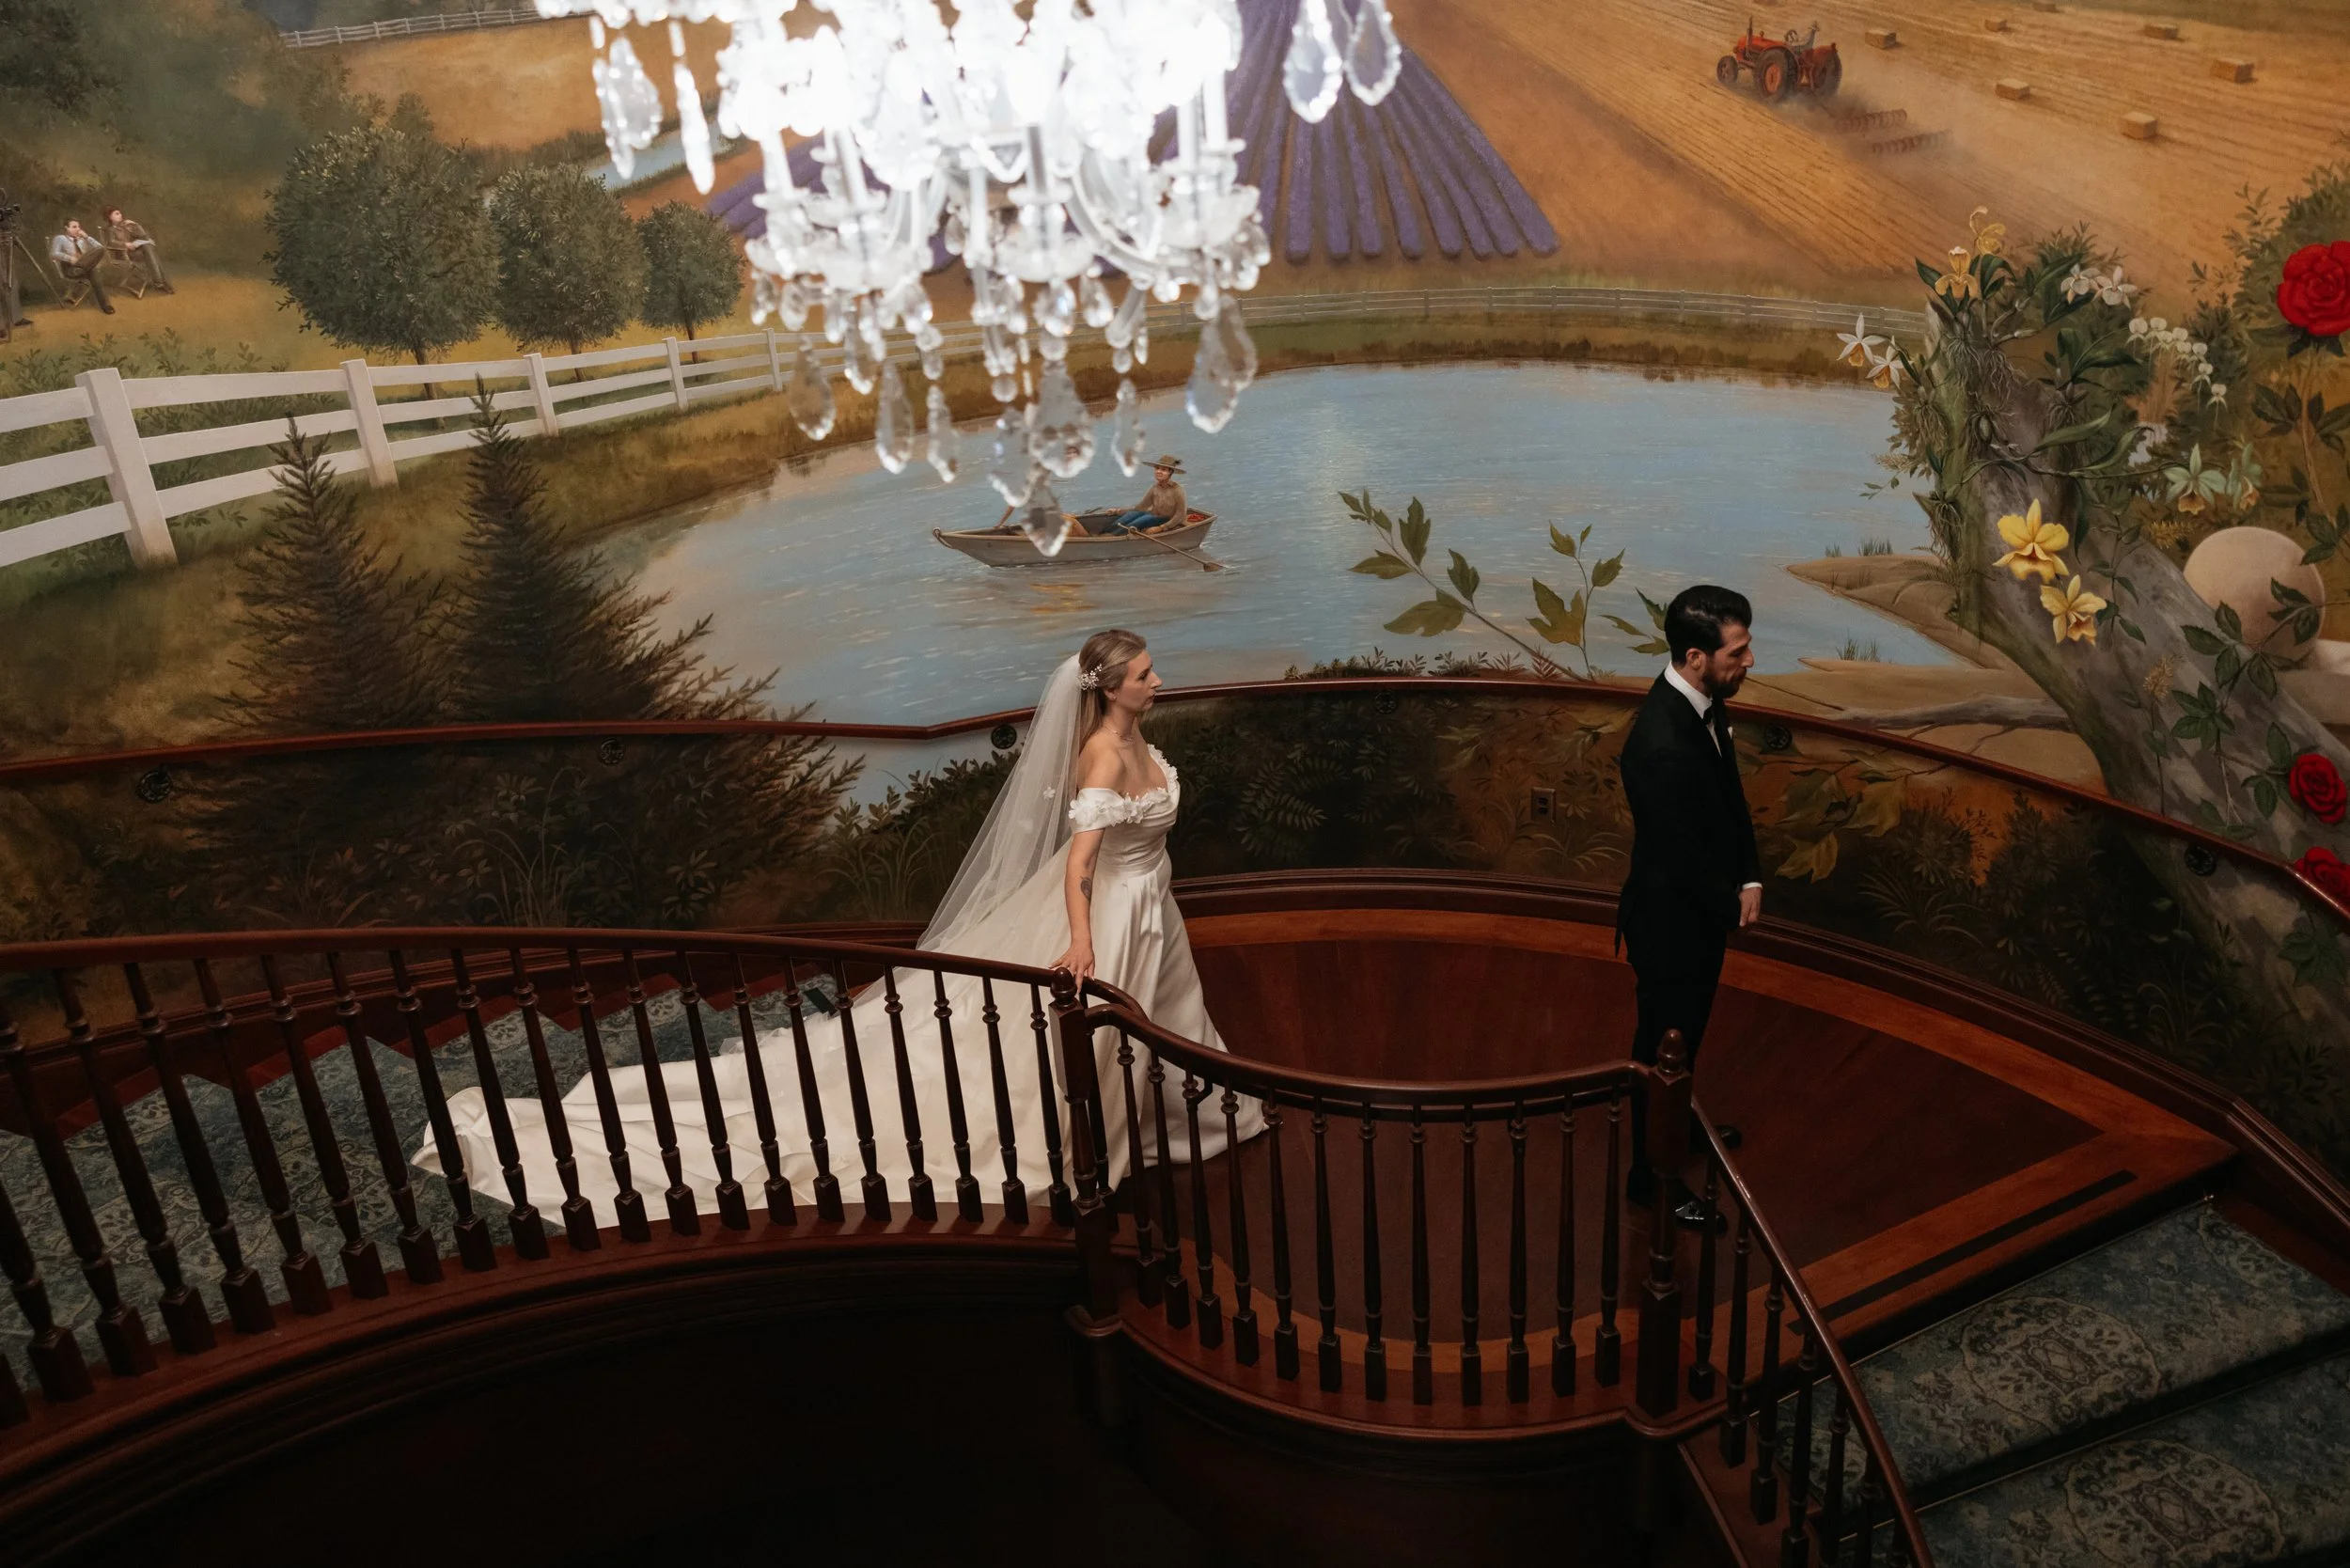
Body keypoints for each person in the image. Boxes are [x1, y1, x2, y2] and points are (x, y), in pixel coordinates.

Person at [415, 630, 1260, 1213]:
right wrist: (1079, 941)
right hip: (1110, 908)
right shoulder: (1103, 753)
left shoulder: (1140, 740)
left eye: (1153, 670)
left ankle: (1191, 1113)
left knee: (1162, 1022)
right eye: (1146, 674)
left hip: (1153, 903)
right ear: (1108, 689)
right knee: (1099, 1036)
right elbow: (1078, 865)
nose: (1159, 681)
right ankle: (1106, 1136)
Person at [1616, 585, 1761, 1223]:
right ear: (1697, 656)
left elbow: (1731, 801)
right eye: (1740, 650)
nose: (1749, 661)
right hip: (1670, 924)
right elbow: (1678, 854)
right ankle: (1651, 1177)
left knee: (1686, 1039)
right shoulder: (1658, 743)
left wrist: (1750, 878)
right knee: (1662, 1048)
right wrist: (1729, 909)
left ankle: (1676, 1131)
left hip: (1699, 915)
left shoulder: (1705, 705)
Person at [1105, 455, 1187, 534]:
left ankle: (1112, 537)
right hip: (1152, 514)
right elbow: (1141, 507)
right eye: (1157, 468)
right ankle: (1105, 534)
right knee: (1126, 518)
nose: (1159, 471)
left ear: (1170, 472)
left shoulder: (1177, 490)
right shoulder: (1154, 488)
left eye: (1164, 470)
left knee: (1134, 525)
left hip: (1166, 519)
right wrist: (1117, 511)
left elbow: (1181, 514)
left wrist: (1161, 528)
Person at [48, 220, 114, 314]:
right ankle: (105, 305)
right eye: (74, 227)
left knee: (99, 253)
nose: (78, 229)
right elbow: (54, 253)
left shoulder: (82, 239)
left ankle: (105, 305)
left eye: (79, 227)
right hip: (70, 269)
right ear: (66, 228)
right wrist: (70, 258)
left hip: (84, 268)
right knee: (94, 271)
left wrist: (87, 237)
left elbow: (100, 248)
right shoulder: (60, 238)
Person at [102, 207, 172, 293]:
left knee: (149, 247)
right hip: (123, 255)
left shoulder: (125, 227)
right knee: (151, 253)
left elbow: (142, 235)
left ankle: (160, 282)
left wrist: (136, 224)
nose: (120, 215)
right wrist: (126, 244)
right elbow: (110, 242)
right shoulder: (110, 229)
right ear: (110, 217)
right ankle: (161, 282)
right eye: (117, 214)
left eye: (120, 213)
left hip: (132, 253)